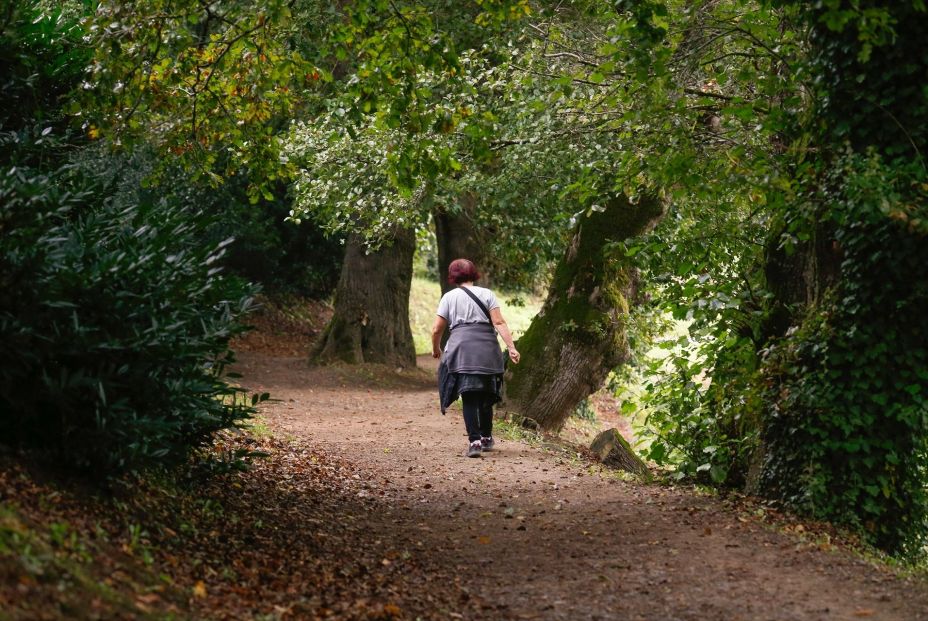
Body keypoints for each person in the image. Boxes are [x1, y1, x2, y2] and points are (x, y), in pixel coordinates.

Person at [431, 258, 521, 458]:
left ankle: (475, 442)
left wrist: (436, 348)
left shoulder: (449, 297)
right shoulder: (487, 294)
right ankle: (487, 437)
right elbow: (498, 321)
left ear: (453, 275)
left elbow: (437, 328)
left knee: (469, 395)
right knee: (486, 394)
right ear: (474, 273)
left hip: (462, 350)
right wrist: (511, 348)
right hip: (487, 349)